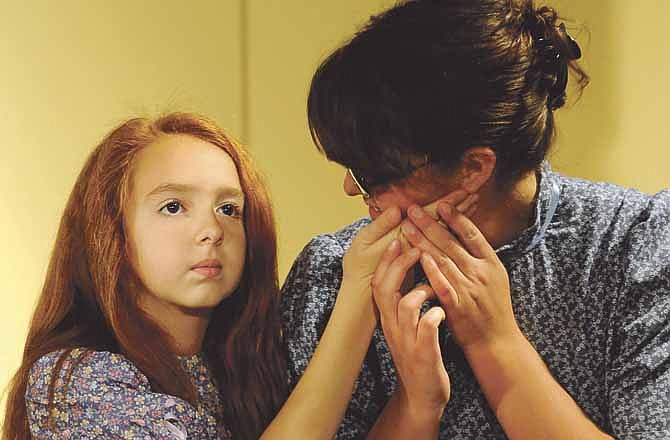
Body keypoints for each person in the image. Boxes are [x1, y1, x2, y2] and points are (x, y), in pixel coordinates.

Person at [281, 0, 670, 438]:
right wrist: (412, 403)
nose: (351, 189)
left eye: (372, 173)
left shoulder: (638, 250)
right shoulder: (336, 275)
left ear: (474, 168)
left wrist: (495, 346)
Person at [2, 112, 475, 440]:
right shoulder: (78, 383)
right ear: (110, 233)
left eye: (230, 209)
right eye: (173, 207)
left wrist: (419, 401)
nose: (211, 230)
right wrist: (358, 297)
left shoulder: (249, 366)